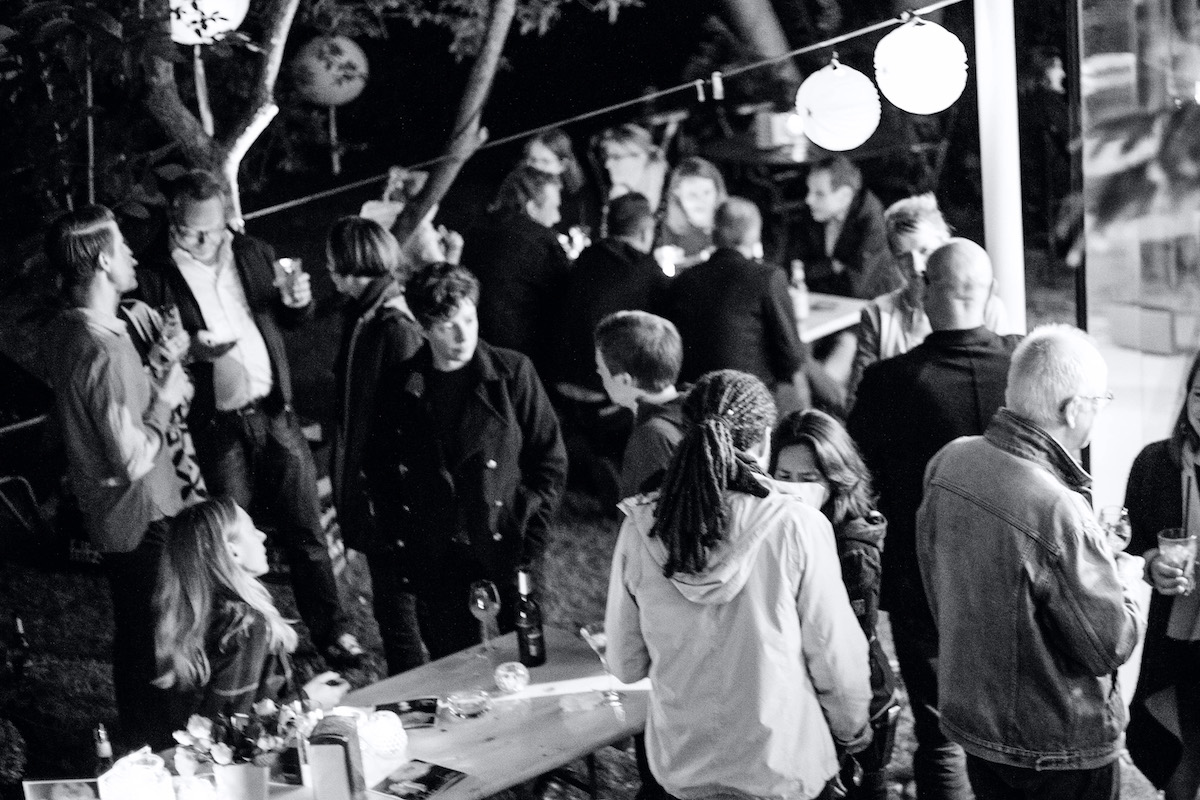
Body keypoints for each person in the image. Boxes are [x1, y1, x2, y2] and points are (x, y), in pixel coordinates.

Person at [134, 170, 364, 668]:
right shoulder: (155, 274)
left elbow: (282, 317)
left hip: (275, 411)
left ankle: (332, 632)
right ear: (173, 221)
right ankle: (247, 644)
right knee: (232, 542)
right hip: (216, 425)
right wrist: (191, 350)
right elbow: (151, 352)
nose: (205, 242)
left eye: (214, 230)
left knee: (306, 529)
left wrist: (296, 303)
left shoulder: (251, 252)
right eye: (192, 232)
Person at [605, 370, 872, 800]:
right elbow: (834, 654)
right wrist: (852, 728)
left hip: (684, 765)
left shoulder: (641, 526)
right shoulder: (797, 526)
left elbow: (625, 663)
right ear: (765, 441)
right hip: (781, 768)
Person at [916, 325, 1145, 800]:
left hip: (977, 728)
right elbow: (1108, 646)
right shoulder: (1057, 508)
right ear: (1073, 408)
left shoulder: (950, 461)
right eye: (1101, 400)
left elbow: (935, 580)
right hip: (1058, 747)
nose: (1101, 411)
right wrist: (1122, 580)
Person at [847, 239, 1021, 800]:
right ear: (991, 293)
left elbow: (858, 479)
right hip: (1018, 575)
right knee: (1015, 722)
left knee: (941, 732)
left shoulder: (889, 382)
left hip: (922, 578)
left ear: (924, 291)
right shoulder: (1022, 368)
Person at [42, 205, 197, 748]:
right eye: (123, 245)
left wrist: (156, 368)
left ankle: (143, 747)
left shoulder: (72, 331)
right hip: (140, 516)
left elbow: (108, 410)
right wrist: (167, 399)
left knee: (137, 636)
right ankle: (163, 750)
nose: (132, 253)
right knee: (156, 643)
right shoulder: (101, 349)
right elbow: (130, 459)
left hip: (116, 517)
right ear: (105, 261)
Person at [367, 263, 567, 659]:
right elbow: (380, 469)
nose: (463, 336)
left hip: (508, 539)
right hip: (441, 554)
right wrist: (405, 537)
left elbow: (549, 460)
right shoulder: (400, 386)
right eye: (447, 326)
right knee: (454, 664)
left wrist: (531, 530)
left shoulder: (513, 373)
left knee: (529, 653)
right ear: (423, 328)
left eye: (469, 319)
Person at [771, 409, 899, 800]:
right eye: (784, 476)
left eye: (808, 478)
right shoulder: (779, 528)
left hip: (854, 710)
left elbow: (847, 651)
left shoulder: (851, 547)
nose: (794, 489)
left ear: (835, 479)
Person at [326, 217, 426, 675]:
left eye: (332, 262)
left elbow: (407, 416)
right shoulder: (364, 314)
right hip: (374, 483)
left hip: (391, 492)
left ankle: (414, 691)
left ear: (352, 265)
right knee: (391, 602)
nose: (328, 271)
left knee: (397, 604)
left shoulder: (393, 326)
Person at [153, 498, 349, 721]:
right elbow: (230, 731)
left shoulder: (199, 615)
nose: (262, 535)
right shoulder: (243, 626)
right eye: (251, 529)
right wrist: (308, 701)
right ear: (232, 551)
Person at [665, 196, 842, 414]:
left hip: (693, 398)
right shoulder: (767, 277)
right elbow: (790, 354)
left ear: (714, 233)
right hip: (749, 399)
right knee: (800, 363)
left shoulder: (683, 280)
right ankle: (830, 413)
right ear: (754, 234)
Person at [553, 193, 668, 506]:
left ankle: (587, 464)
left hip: (560, 379)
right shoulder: (645, 268)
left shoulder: (586, 258)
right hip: (602, 392)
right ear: (645, 232)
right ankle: (616, 474)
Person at [846, 197, 1010, 409]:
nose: (916, 266)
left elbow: (1004, 380)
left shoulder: (986, 307)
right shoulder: (879, 314)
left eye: (925, 251)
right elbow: (857, 397)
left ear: (945, 244)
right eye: (903, 256)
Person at [1125, 350, 1200, 800]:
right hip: (1175, 644)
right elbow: (1132, 544)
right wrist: (1154, 563)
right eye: (1199, 394)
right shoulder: (1155, 463)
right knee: (1179, 764)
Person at [461, 165, 570, 378]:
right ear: (531, 207)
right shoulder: (542, 241)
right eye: (555, 207)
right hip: (520, 357)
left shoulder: (476, 229)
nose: (557, 217)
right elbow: (565, 296)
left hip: (474, 345)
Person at [594, 310, 686, 499]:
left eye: (601, 369)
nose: (599, 373)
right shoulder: (689, 409)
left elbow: (640, 513)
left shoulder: (650, 438)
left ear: (624, 380)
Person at [789, 155, 888, 299]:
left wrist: (817, 274)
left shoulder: (872, 223)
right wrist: (831, 266)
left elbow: (855, 289)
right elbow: (792, 270)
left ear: (844, 196)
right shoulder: (814, 212)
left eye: (819, 194)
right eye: (809, 191)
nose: (808, 199)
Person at [524, 127, 600, 236]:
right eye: (533, 160)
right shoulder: (520, 196)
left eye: (545, 162)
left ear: (563, 164)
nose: (537, 167)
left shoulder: (580, 200)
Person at [655, 156, 727, 271]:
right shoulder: (671, 228)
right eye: (692, 194)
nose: (700, 200)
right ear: (677, 194)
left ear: (717, 192)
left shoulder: (729, 225)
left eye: (706, 192)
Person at [597, 123, 668, 219]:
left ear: (641, 157)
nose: (607, 164)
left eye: (616, 157)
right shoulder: (607, 196)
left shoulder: (668, 198)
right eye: (607, 157)